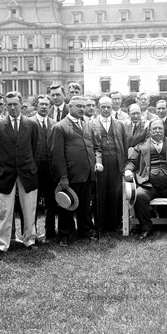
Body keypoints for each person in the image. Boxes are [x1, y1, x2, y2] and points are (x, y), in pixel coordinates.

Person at [0, 91, 40, 255]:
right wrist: (2, 166)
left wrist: (30, 165)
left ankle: (30, 240)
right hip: (5, 174)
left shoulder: (31, 125)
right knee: (4, 210)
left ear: (21, 105)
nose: (12, 107)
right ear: (5, 106)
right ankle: (2, 244)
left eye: (15, 104)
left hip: (27, 173)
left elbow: (36, 148)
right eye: (8, 104)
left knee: (29, 208)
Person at [124, 120, 167, 239]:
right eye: (154, 128)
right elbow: (132, 162)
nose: (157, 131)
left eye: (160, 128)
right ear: (149, 131)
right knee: (139, 196)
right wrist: (128, 170)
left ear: (164, 130)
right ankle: (146, 228)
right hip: (149, 185)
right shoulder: (140, 147)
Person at [50, 96, 103, 244]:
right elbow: (57, 155)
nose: (82, 109)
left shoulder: (87, 125)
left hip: (87, 174)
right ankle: (65, 235)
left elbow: (96, 147)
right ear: (70, 106)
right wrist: (63, 177)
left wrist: (97, 162)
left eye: (83, 106)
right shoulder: (60, 127)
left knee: (85, 205)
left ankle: (85, 231)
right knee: (66, 205)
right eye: (78, 106)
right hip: (70, 175)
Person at [92, 97, 128, 233]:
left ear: (112, 107)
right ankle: (99, 226)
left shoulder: (120, 124)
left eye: (108, 107)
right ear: (98, 108)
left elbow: (124, 145)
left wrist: (124, 164)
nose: (106, 110)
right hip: (100, 164)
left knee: (114, 193)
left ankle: (113, 225)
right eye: (103, 107)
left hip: (115, 162)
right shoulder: (92, 123)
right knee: (100, 193)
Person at [32, 94, 56, 244]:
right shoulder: (29, 123)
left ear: (50, 107)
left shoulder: (54, 124)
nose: (44, 107)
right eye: (41, 104)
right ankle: (31, 235)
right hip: (34, 168)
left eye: (47, 104)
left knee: (51, 202)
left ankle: (50, 233)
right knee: (32, 203)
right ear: (36, 106)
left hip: (50, 169)